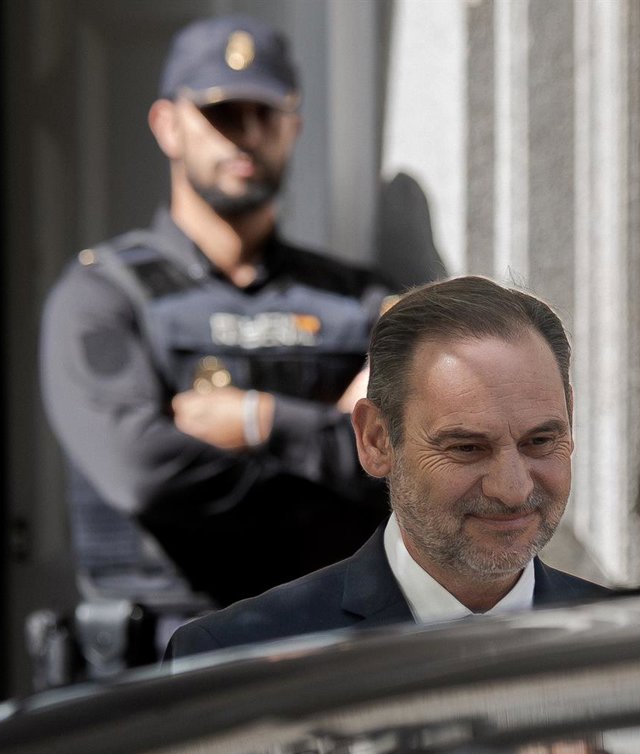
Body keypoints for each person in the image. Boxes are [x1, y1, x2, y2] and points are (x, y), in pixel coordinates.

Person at [39, 13, 395, 670]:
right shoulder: (103, 296)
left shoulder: (357, 301)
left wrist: (259, 421)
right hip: (159, 665)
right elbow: (145, 474)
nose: (248, 134)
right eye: (222, 113)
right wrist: (337, 446)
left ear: (294, 126)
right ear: (167, 125)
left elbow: (415, 466)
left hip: (323, 656)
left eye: (266, 113)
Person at [165, 275, 612, 661]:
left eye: (539, 442)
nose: (512, 489)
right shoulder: (232, 658)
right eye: (467, 448)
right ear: (376, 440)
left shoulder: (633, 645)